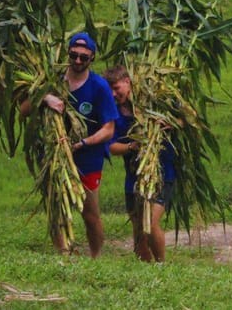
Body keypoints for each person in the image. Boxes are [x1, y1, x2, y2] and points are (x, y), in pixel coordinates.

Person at [27, 32, 118, 257]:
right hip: (54, 153)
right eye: (74, 55)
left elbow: (109, 129)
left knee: (90, 213)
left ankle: (96, 257)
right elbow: (23, 109)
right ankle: (63, 254)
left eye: (83, 58)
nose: (77, 61)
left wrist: (84, 142)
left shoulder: (99, 86)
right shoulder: (51, 80)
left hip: (87, 157)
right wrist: (45, 98)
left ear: (92, 58)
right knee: (56, 207)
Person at [103, 65, 177, 263]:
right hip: (134, 176)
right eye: (109, 89)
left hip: (161, 172)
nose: (113, 94)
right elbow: (111, 146)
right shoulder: (113, 113)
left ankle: (162, 267)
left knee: (150, 223)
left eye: (116, 88)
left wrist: (171, 123)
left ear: (128, 82)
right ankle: (145, 271)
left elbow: (186, 118)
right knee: (138, 229)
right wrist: (132, 147)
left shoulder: (153, 100)